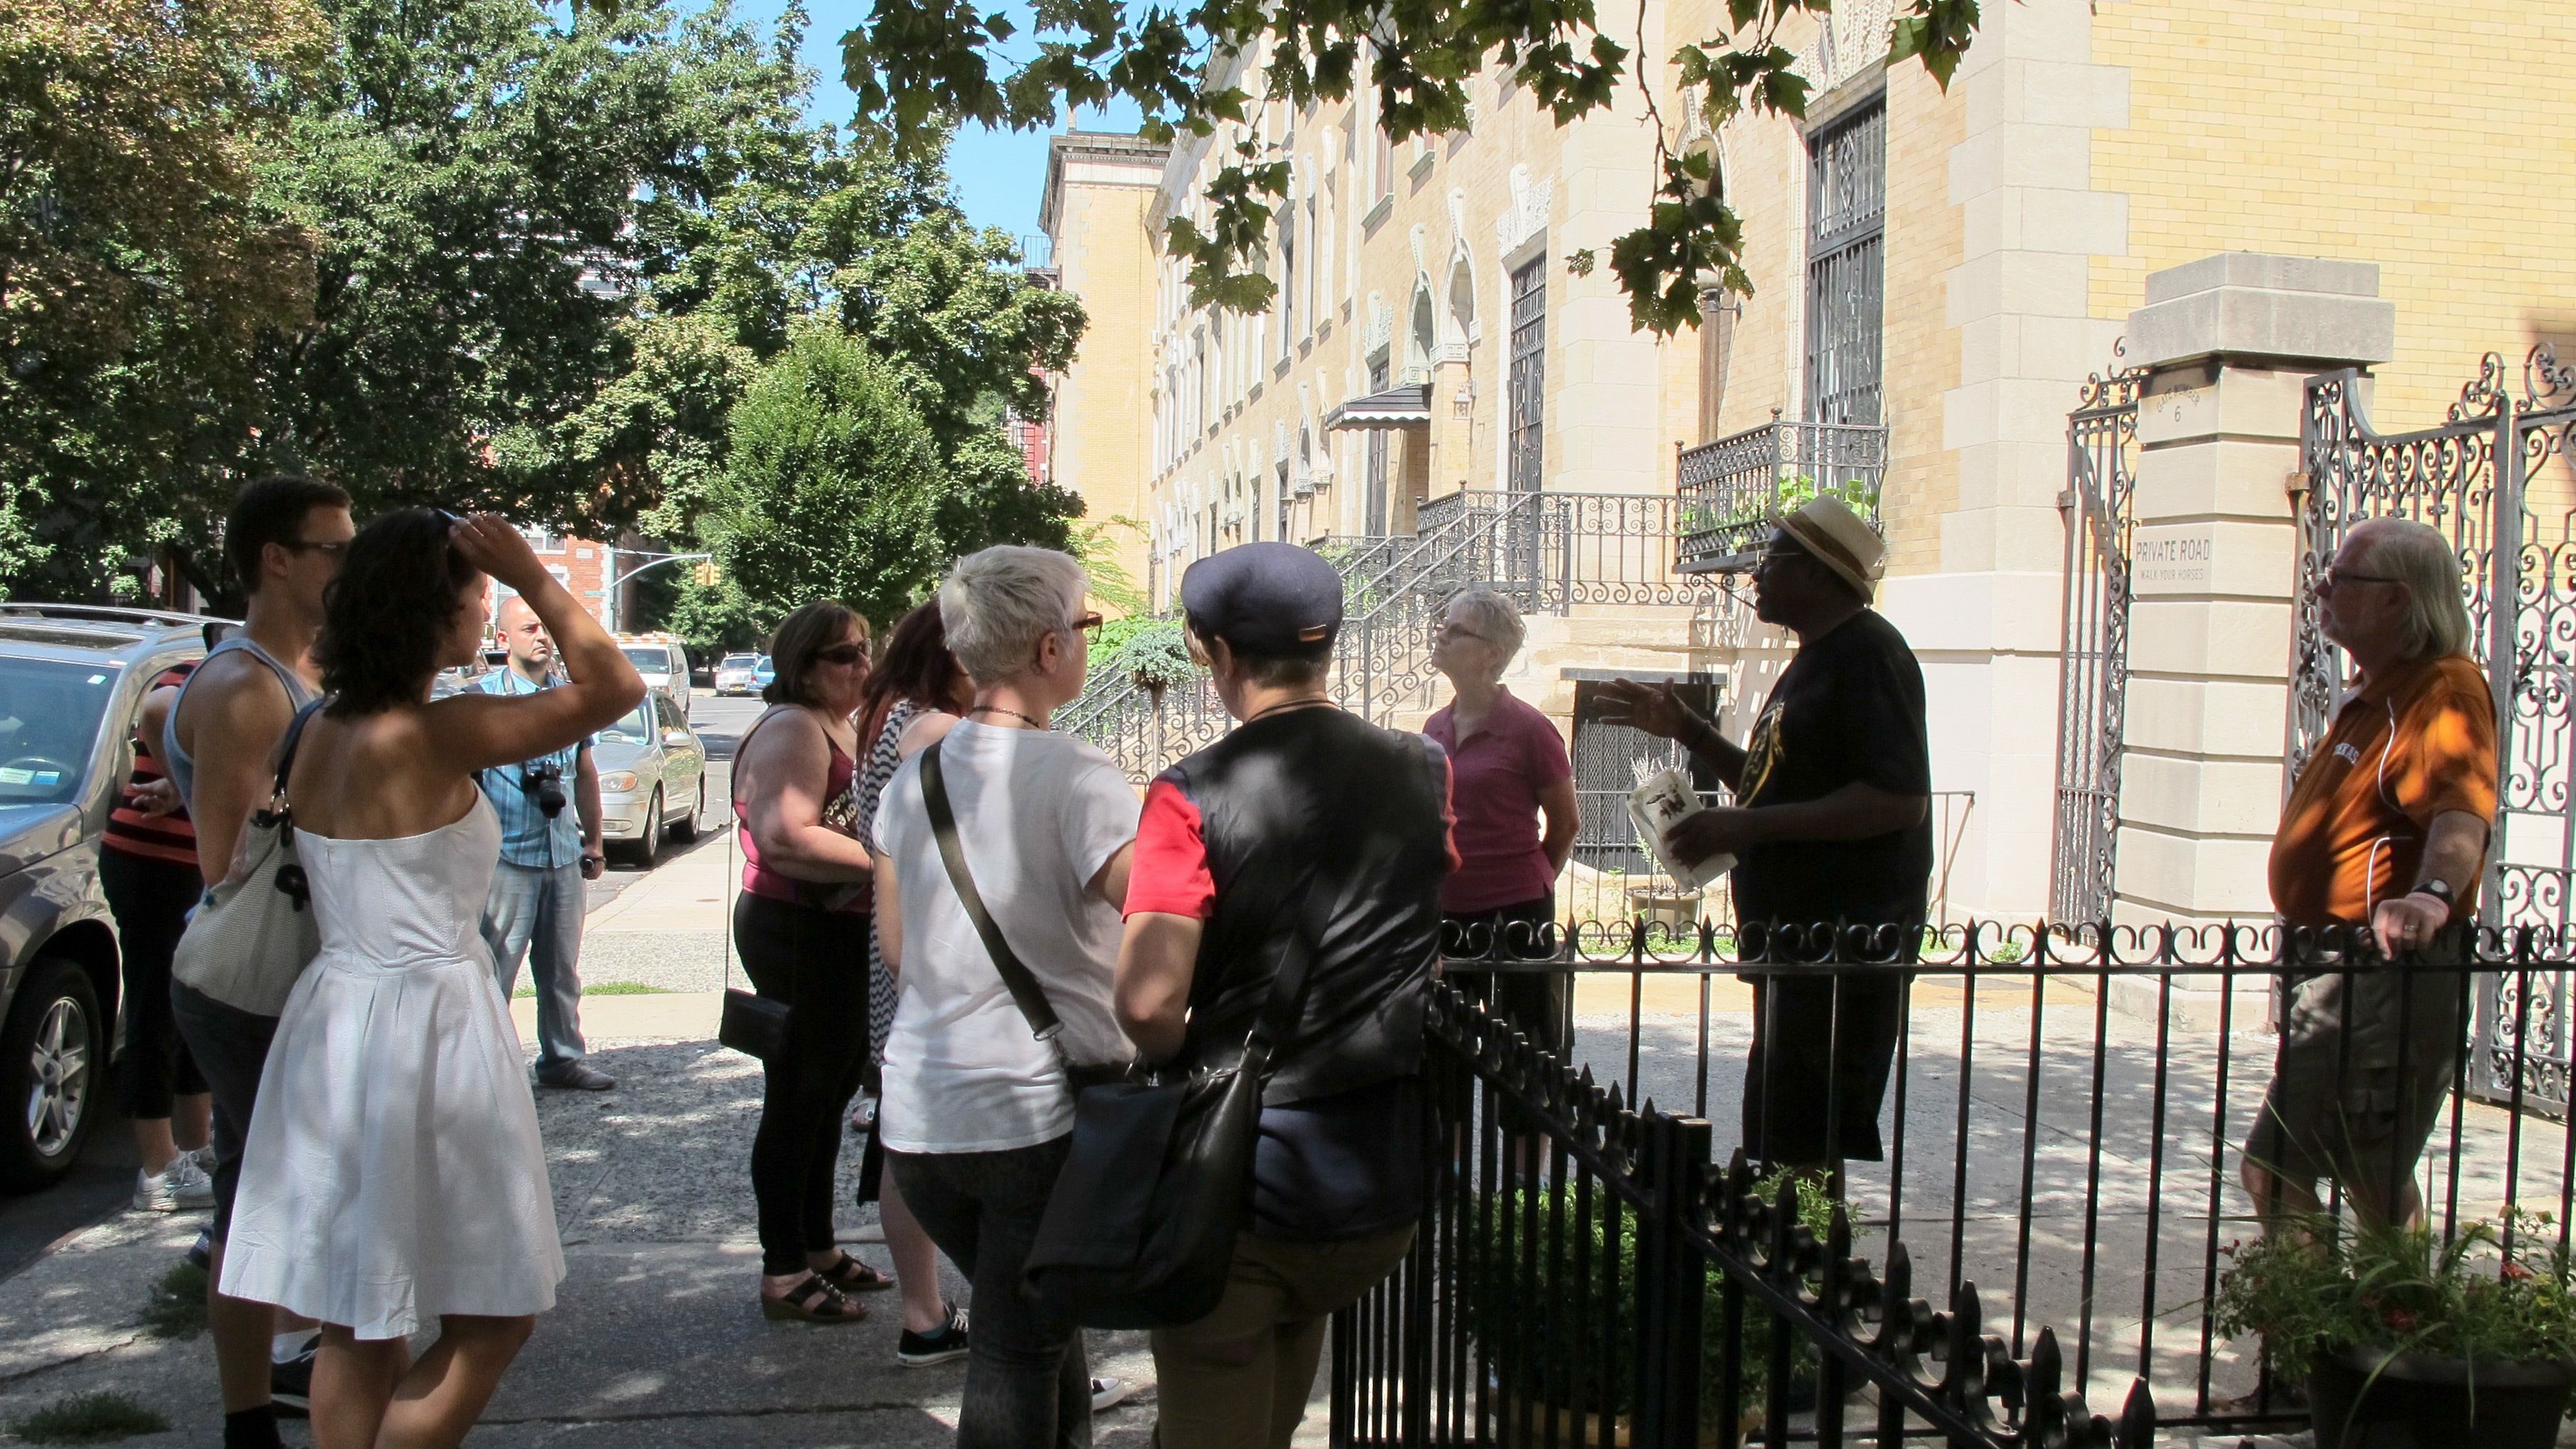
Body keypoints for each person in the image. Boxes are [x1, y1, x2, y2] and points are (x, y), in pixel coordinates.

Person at [218, 511, 643, 1449]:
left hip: (335, 1018)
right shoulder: (440, 732)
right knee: (494, 1309)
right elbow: (613, 685)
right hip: (430, 1023)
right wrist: (533, 572)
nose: (487, 611)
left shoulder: (316, 728)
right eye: (477, 595)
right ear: (432, 609)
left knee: (360, 1319)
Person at [1117, 540, 1452, 1449]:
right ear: (1328, 646)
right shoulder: (1424, 769)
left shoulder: (1188, 795)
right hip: (1376, 1173)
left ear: (1218, 655)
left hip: (1243, 1191)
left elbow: (1147, 1004)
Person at [871, 545, 1138, 1449]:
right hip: (1031, 1110)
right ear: (1050, 648)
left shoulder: (918, 776)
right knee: (1016, 1351)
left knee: (1031, 1321)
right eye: (1088, 624)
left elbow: (899, 946)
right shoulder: (1079, 775)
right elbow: (1156, 918)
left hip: (920, 1113)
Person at [1598, 497, 1930, 1179]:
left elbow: (1897, 801)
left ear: (1818, 574)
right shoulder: (1815, 660)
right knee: (1782, 1125)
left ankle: (1803, 1270)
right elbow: (1770, 783)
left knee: (1805, 1140)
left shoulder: (1869, 655)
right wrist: (1688, 729)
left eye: (1773, 560)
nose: (1756, 574)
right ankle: (1789, 1261)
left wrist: (1743, 826)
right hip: (1795, 945)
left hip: (1839, 947)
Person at [164, 474, 352, 1446]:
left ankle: (280, 1381)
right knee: (261, 1194)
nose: (347, 566)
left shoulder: (293, 674)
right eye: (334, 549)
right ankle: (253, 1410)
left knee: (275, 1186)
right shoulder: (246, 688)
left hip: (282, 976)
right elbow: (230, 863)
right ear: (276, 558)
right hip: (253, 978)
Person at [2247, 516, 2495, 1230]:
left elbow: (2461, 815)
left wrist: (2432, 893)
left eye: (2343, 578)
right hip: (2335, 968)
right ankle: (2386, 1321)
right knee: (2369, 1171)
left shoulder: (2441, 691)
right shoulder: (2383, 686)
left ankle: (2327, 1332)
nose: (2323, 586)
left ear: (2397, 599)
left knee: (2282, 1167)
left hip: (2378, 974)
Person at [730, 601, 886, 1324]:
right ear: (801, 664)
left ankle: (818, 1246)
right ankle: (783, 1268)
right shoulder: (793, 725)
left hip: (836, 928)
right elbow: (784, 836)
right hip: (796, 928)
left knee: (829, 1100)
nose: (861, 665)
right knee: (798, 1098)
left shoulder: (838, 723)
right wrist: (890, 863)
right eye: (843, 655)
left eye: (864, 650)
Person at [849, 601, 977, 1363]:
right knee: (934, 1138)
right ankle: (931, 1310)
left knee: (908, 1135)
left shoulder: (888, 711)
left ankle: (924, 1310)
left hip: (899, 934)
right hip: (932, 947)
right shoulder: (929, 725)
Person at [1423, 587, 1579, 1052]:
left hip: (1515, 915)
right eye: (1442, 624)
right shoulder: (1435, 727)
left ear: (1491, 653)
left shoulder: (1530, 728)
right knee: (1445, 1058)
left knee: (1524, 1057)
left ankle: (1528, 1132)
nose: (1441, 634)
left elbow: (1566, 823)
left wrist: (1526, 883)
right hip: (1447, 913)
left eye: (1456, 630)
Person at [475, 593, 614, 1092]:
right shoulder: (482, 698)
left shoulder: (570, 696)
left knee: (560, 969)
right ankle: (487, 1066)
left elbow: (584, 770)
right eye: (529, 627)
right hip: (506, 857)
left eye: (545, 627)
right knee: (497, 968)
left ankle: (563, 1059)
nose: (542, 635)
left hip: (561, 853)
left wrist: (594, 841)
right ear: (503, 639)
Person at [106, 659, 215, 1214]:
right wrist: (183, 780)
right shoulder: (223, 665)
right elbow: (159, 706)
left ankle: (196, 1146)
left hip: (193, 867)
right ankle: (156, 1168)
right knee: (154, 1006)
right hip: (152, 862)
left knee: (191, 1003)